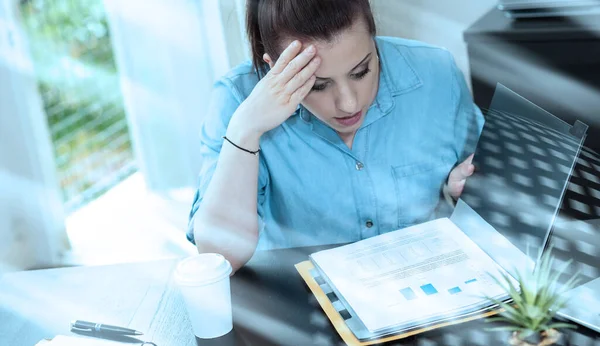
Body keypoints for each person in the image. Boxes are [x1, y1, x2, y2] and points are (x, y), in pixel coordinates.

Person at [187, 0, 484, 272]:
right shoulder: (236, 101)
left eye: (361, 71)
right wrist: (245, 130)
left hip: (433, 292)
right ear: (273, 67)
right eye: (317, 85)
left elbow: (492, 189)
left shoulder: (435, 74)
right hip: (304, 313)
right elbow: (219, 258)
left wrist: (467, 185)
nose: (349, 103)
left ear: (373, 37)